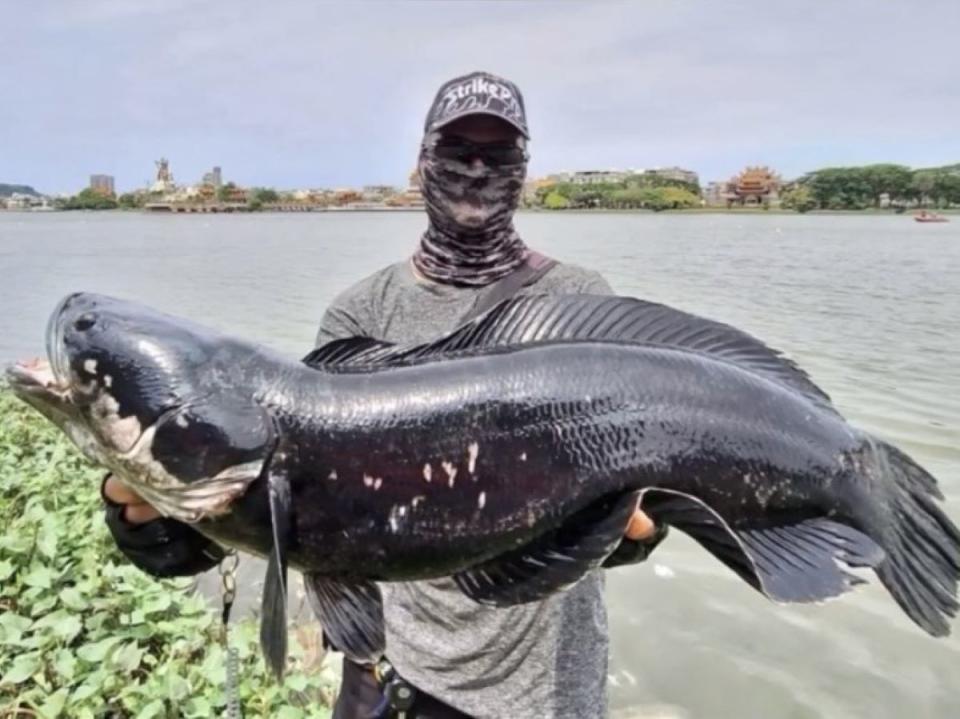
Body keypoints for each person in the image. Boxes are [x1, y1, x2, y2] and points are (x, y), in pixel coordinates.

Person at [103, 71, 667, 719]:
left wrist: (630, 530)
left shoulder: (580, 303)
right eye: (457, 150)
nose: (477, 168)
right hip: (394, 671)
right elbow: (295, 495)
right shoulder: (360, 314)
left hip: (544, 688)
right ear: (420, 164)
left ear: (525, 170)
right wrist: (157, 516)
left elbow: (642, 510)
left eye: (499, 153)